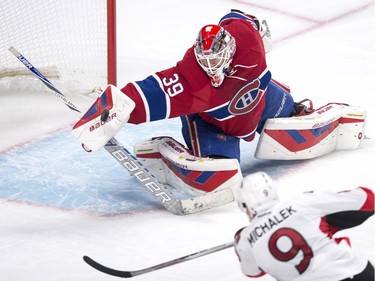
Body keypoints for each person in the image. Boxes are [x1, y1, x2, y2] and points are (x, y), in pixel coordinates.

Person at [71, 9, 315, 194]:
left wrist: (261, 29)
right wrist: (107, 115)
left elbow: (236, 16)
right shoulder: (191, 80)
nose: (211, 69)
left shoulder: (248, 40)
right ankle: (165, 154)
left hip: (259, 102)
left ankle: (291, 109)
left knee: (290, 106)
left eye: (216, 61)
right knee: (225, 174)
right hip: (215, 123)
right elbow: (146, 94)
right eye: (205, 61)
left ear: (230, 50)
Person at [234, 172, 374, 281]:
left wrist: (244, 240)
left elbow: (252, 271)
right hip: (352, 273)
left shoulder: (245, 240)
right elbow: (368, 201)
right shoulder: (301, 203)